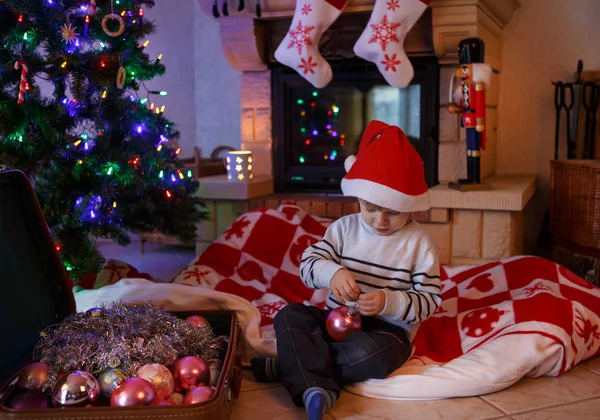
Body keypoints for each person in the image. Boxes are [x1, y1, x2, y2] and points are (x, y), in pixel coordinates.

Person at [250, 120, 442, 420]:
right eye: (370, 208)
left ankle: (297, 366)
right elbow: (308, 265)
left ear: (411, 206)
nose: (381, 220)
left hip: (386, 333)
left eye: (393, 212)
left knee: (374, 358)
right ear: (358, 199)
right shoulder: (343, 230)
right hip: (333, 322)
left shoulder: (419, 243)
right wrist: (333, 274)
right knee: (290, 316)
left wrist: (388, 302)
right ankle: (310, 376)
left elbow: (430, 301)